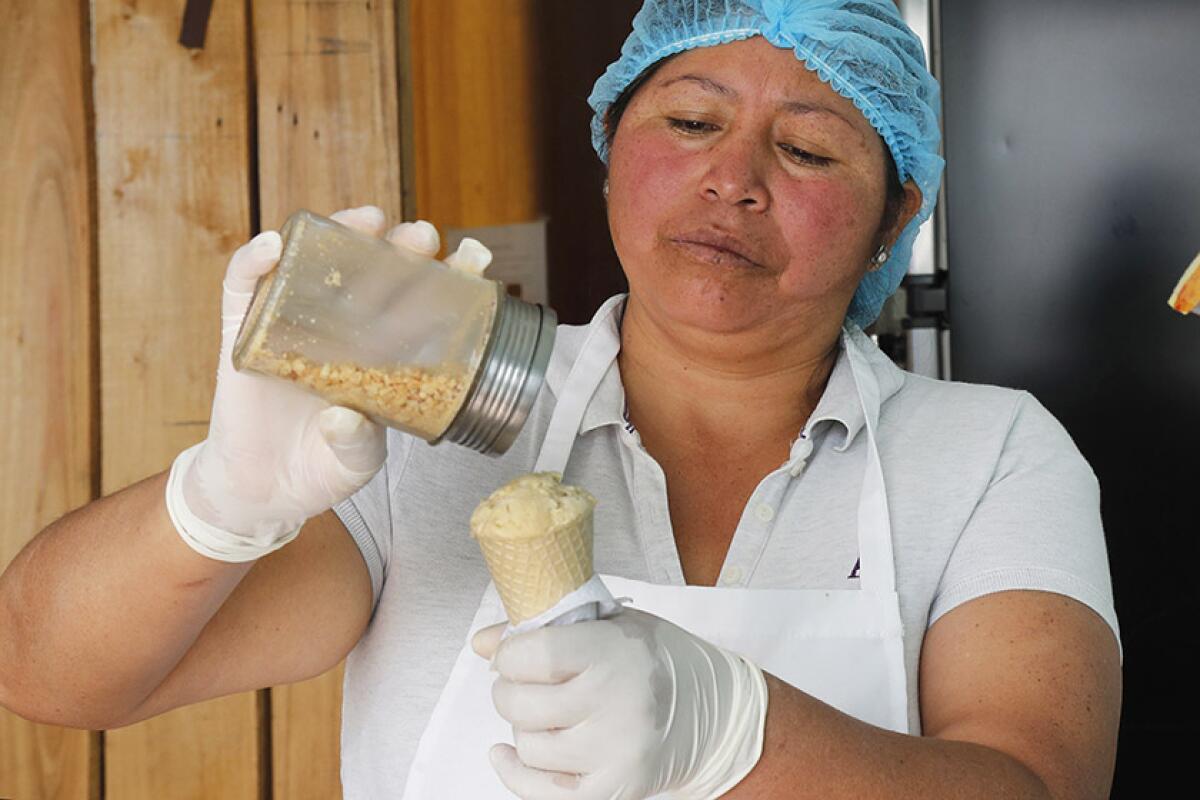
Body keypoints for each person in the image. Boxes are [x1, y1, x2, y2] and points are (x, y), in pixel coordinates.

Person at [0, 1, 1122, 798]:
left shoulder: (992, 455)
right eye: (690, 122)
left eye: (810, 149)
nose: (734, 176)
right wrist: (222, 498)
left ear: (893, 215)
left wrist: (734, 731)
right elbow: (48, 676)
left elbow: (1031, 782)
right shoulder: (431, 427)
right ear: (609, 147)